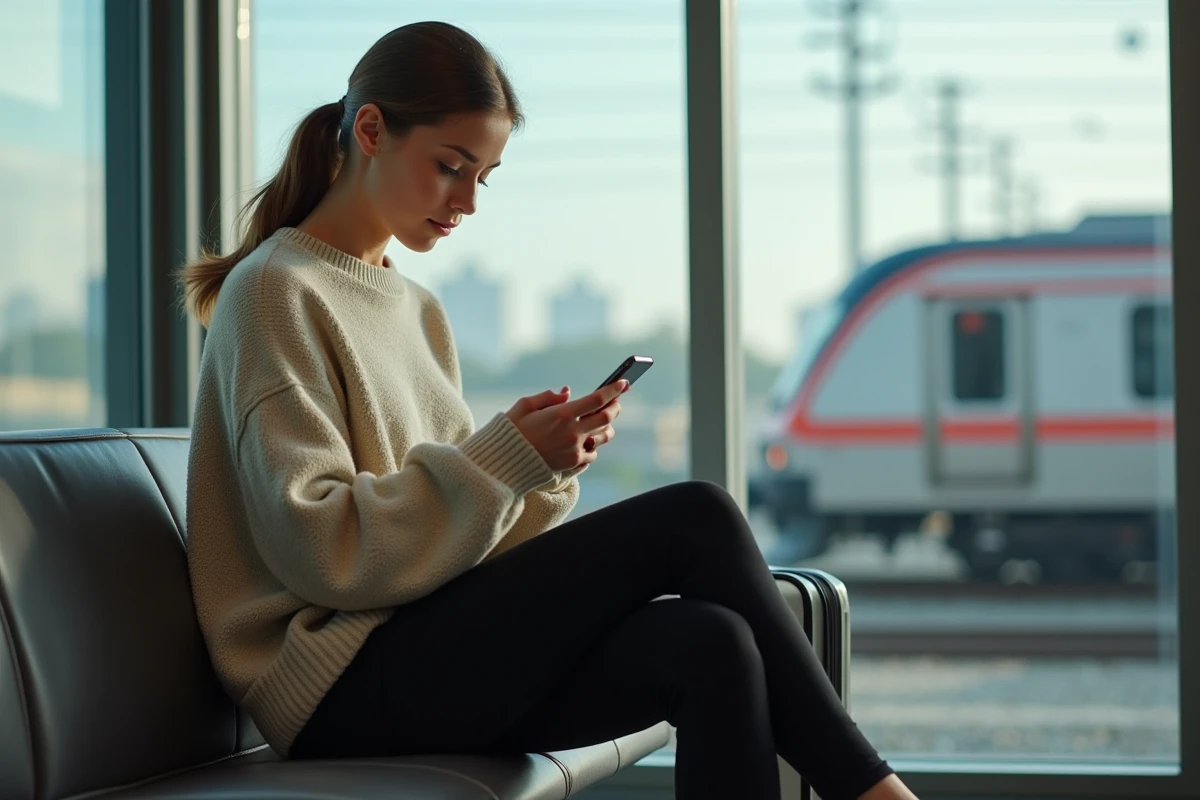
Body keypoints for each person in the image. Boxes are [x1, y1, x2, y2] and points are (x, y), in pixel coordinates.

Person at [178, 20, 919, 800]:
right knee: (695, 516)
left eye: (484, 177)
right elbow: (322, 549)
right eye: (449, 167)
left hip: (419, 643)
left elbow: (456, 546)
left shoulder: (417, 309)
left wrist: (540, 471)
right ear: (370, 131)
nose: (466, 201)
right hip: (336, 682)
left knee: (714, 644)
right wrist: (502, 462)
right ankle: (875, 793)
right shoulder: (273, 291)